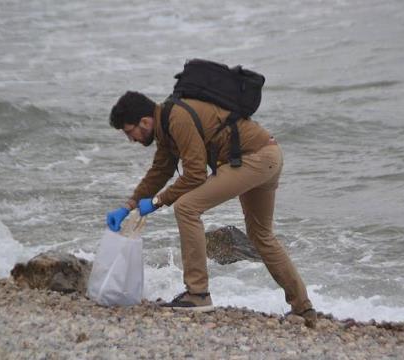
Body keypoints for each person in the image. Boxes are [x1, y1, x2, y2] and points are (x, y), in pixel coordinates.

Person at [106, 91, 317, 327]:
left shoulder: (177, 119)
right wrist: (129, 206)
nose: (131, 139)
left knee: (186, 208)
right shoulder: (166, 126)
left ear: (144, 122)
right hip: (268, 154)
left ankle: (198, 294)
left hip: (253, 159)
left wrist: (157, 202)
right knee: (261, 235)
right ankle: (303, 308)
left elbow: (195, 175)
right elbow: (159, 172)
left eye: (129, 132)